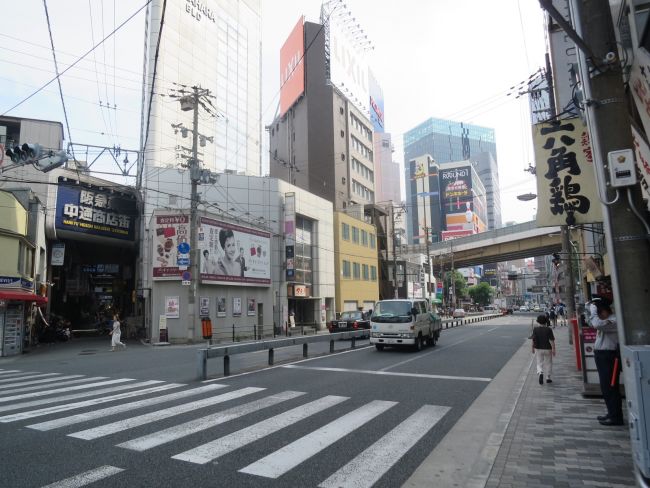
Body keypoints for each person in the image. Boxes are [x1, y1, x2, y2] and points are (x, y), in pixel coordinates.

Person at [586, 297, 623, 426]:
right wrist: (589, 309)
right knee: (606, 388)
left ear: (605, 311)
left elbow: (596, 324)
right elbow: (591, 323)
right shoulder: (604, 321)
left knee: (611, 387)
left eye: (600, 313)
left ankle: (616, 417)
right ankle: (611, 413)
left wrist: (594, 311)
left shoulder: (613, 321)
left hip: (610, 356)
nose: (599, 316)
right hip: (602, 356)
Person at [531, 314, 555, 385]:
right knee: (549, 363)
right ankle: (548, 377)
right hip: (548, 348)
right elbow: (551, 340)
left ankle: (540, 372)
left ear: (538, 322)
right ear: (545, 322)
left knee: (539, 362)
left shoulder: (535, 329)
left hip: (538, 348)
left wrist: (532, 348)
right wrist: (554, 349)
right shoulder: (549, 329)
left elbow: (533, 339)